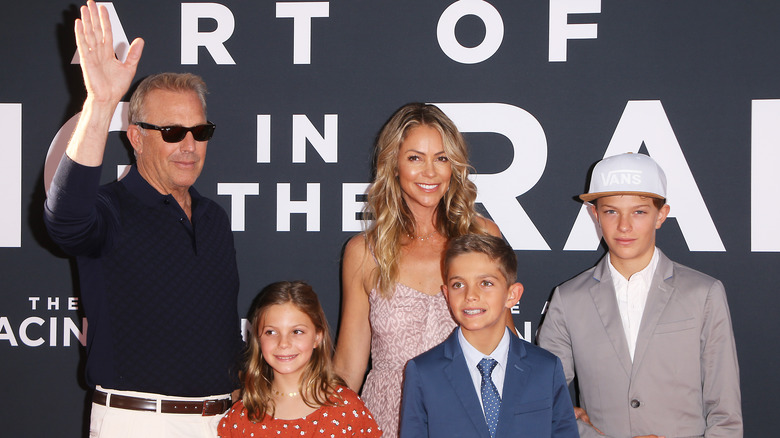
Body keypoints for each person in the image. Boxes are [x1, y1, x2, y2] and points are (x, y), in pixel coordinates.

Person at [43, 2, 242, 436]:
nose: (189, 145)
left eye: (199, 131)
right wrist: (100, 103)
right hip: (138, 423)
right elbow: (65, 221)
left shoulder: (213, 219)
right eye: (171, 132)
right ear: (135, 137)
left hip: (225, 422)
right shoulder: (110, 209)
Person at [332, 103, 513, 437]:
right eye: (415, 158)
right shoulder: (364, 253)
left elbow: (507, 345)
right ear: (394, 164)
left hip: (468, 417)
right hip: (388, 421)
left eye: (441, 158)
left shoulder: (483, 236)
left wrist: (547, 405)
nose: (430, 172)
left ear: (454, 167)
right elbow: (346, 369)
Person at [537, 152, 742, 438]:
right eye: (611, 211)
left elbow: (726, 414)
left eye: (639, 211)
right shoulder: (568, 298)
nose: (624, 226)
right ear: (594, 214)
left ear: (661, 215)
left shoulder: (703, 293)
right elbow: (540, 401)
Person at [399, 234, 578, 438]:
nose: (470, 295)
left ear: (512, 295)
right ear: (446, 295)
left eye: (485, 283)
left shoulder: (546, 368)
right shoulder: (424, 372)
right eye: (458, 284)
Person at [218, 281, 382, 437]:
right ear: (258, 340)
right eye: (271, 332)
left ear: (318, 337)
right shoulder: (241, 417)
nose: (283, 343)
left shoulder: (346, 408)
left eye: (296, 331)